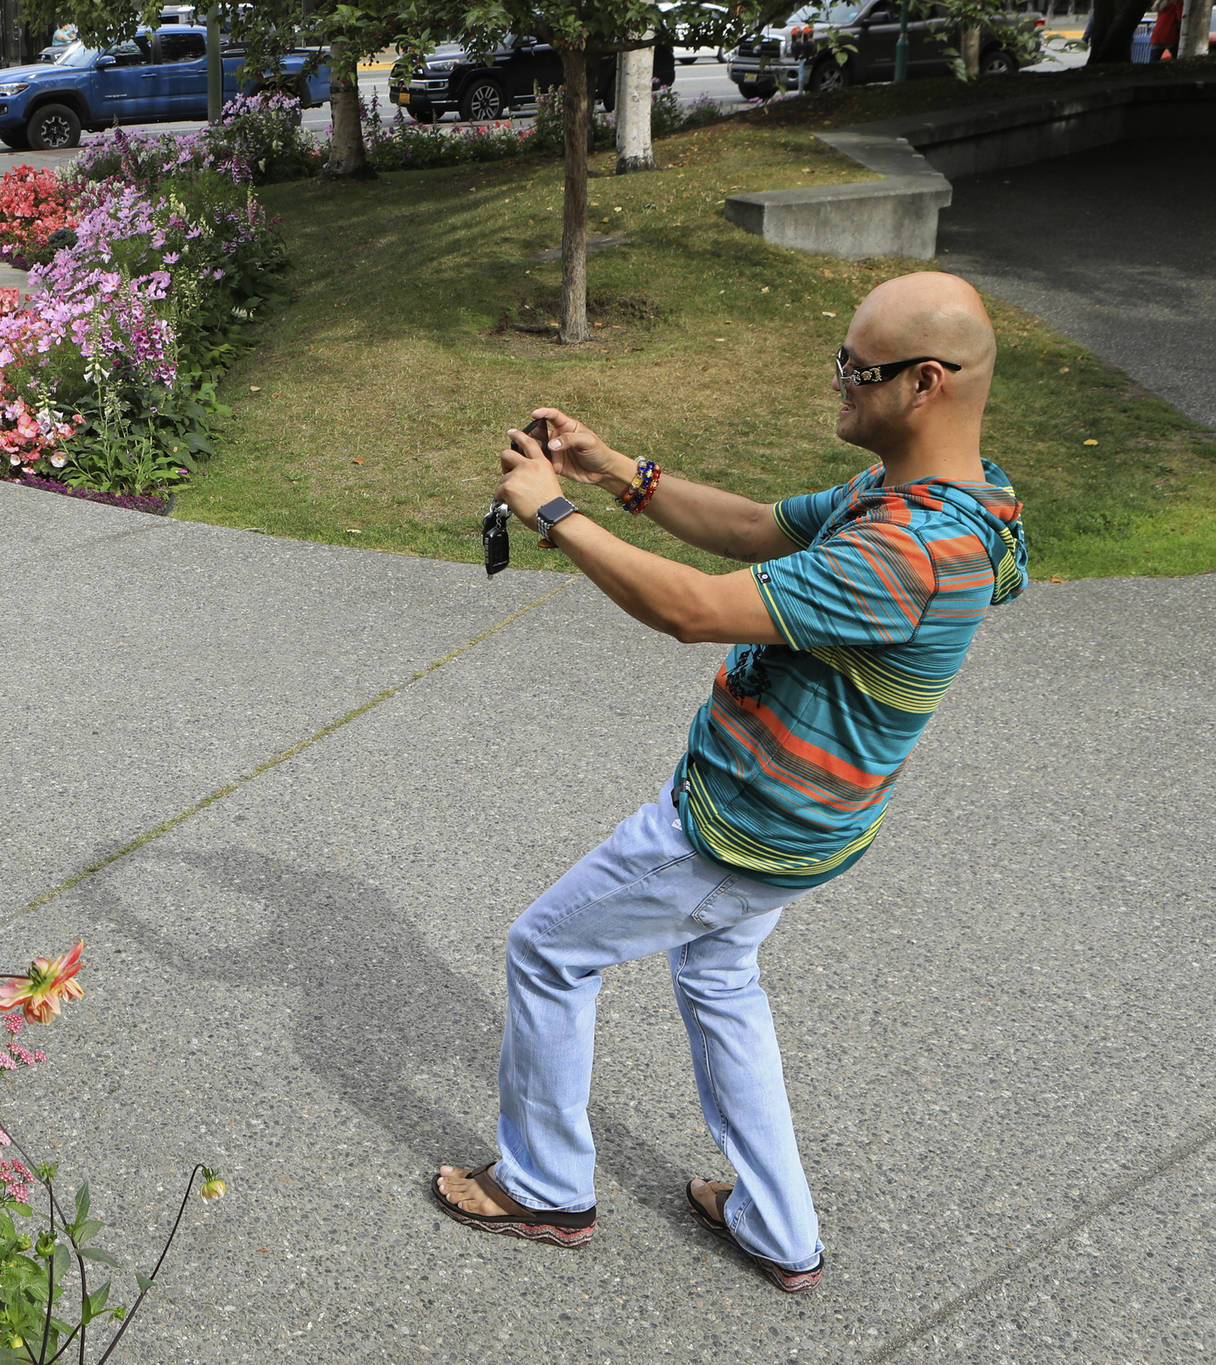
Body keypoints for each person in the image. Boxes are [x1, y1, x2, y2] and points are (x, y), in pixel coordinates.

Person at [431, 272, 1028, 1294]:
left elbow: (695, 610)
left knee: (546, 950)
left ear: (922, 383)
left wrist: (552, 512)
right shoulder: (946, 498)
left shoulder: (911, 551)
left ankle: (542, 1187)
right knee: (716, 980)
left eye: (855, 368)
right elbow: (755, 529)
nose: (835, 382)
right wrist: (613, 468)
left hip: (734, 829)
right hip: (810, 829)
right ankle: (777, 1229)